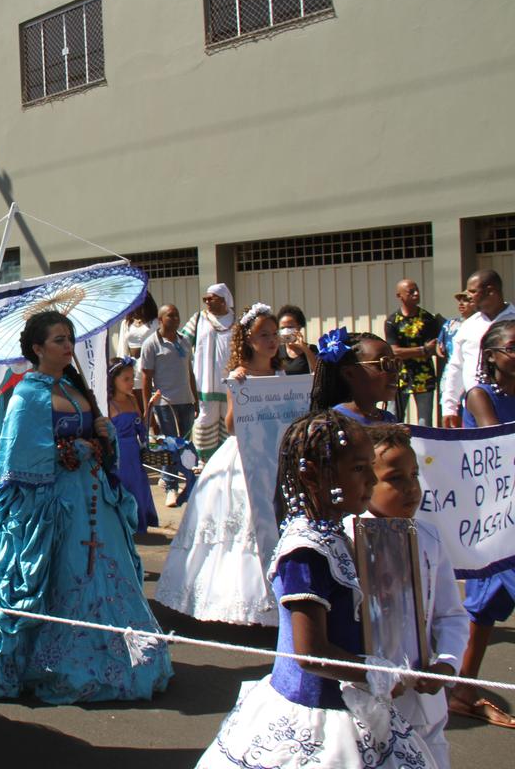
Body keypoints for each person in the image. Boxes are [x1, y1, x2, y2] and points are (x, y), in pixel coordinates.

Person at [197, 410, 435, 768]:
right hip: (316, 717)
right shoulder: (306, 551)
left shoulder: (333, 534)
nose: (371, 479)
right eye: (358, 469)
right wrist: (376, 673)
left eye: (370, 466)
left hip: (345, 705)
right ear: (311, 474)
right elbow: (310, 654)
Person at [0, 310, 173, 703]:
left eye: (69, 338)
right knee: (65, 574)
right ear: (37, 348)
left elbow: (95, 444)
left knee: (106, 574)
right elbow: (17, 455)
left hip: (94, 502)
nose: (68, 345)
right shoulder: (26, 393)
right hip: (56, 506)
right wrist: (70, 448)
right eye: (58, 339)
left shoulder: (76, 388)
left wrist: (102, 433)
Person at [155, 303, 285, 626]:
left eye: (274, 334)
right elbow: (231, 425)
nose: (271, 340)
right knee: (243, 520)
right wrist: (239, 391)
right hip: (244, 455)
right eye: (263, 335)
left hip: (275, 455)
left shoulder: (282, 375)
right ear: (248, 341)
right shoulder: (239, 376)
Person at [357, 425, 468, 767]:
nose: (411, 488)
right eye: (395, 478)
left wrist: (446, 664)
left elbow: (451, 614)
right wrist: (375, 680)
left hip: (424, 704)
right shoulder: (348, 541)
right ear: (364, 482)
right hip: (366, 704)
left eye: (415, 475)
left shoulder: (429, 538)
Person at [451, 318, 515, 728]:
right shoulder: (479, 394)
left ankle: (462, 690)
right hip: (496, 519)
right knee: (483, 605)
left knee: (484, 610)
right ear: (491, 356)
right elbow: (497, 441)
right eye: (513, 347)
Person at [140, 303, 198, 507]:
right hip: (165, 404)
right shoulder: (151, 344)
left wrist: (196, 398)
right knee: (170, 445)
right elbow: (146, 378)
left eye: (177, 315)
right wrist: (148, 407)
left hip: (187, 401)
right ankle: (171, 486)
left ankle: (187, 484)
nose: (175, 319)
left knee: (185, 446)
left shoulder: (184, 342)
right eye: (170, 316)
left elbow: (189, 372)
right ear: (160, 319)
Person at [442, 269, 515, 428]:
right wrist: (449, 406)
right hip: (475, 406)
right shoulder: (468, 326)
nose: (468, 296)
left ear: (490, 291)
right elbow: (456, 366)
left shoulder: (513, 320)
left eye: (473, 291)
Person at [181, 283, 236, 462]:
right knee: (205, 420)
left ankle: (225, 459)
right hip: (204, 383)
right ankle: (204, 460)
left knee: (227, 422)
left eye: (211, 299)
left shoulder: (237, 321)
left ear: (223, 300)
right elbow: (182, 344)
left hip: (230, 385)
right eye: (205, 299)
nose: (207, 303)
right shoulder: (199, 319)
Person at [383, 279, 444, 426]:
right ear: (400, 296)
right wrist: (421, 350)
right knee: (394, 421)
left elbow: (432, 349)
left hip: (424, 377)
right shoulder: (392, 321)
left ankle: (425, 450)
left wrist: (420, 351)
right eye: (411, 292)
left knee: (425, 423)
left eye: (417, 290)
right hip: (399, 377)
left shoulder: (427, 319)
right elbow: (394, 351)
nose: (416, 294)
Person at [310, 328, 399, 424]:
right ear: (349, 373)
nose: (394, 372)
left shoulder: (389, 419)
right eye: (384, 363)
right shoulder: (333, 424)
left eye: (396, 363)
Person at [108, 357, 156, 533]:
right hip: (118, 453)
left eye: (132, 377)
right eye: (125, 379)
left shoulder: (132, 400)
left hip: (134, 452)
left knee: (137, 485)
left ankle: (138, 522)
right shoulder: (107, 404)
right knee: (123, 486)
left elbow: (141, 427)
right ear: (114, 380)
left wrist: (150, 406)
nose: (130, 382)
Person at [112, 292, 158, 395]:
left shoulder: (155, 322)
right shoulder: (126, 323)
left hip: (149, 366)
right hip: (133, 367)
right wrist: (122, 369)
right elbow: (122, 348)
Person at [437, 290, 475, 364]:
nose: (461, 304)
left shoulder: (481, 323)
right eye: (460, 301)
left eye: (466, 301)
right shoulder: (450, 324)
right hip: (452, 367)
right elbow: (439, 346)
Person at [277, 304, 317, 375]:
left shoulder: (311, 349)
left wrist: (304, 348)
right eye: (282, 328)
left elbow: (318, 372)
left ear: (299, 327)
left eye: (290, 327)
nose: (286, 331)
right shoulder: (276, 351)